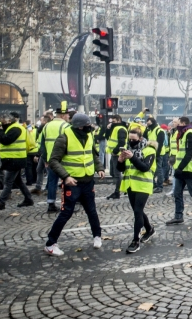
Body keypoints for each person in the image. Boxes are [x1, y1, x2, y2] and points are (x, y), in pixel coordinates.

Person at [43, 114, 106, 255]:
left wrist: (100, 168)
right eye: (87, 126)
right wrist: (66, 177)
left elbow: (93, 154)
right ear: (79, 127)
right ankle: (50, 243)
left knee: (92, 210)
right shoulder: (64, 137)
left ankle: (97, 236)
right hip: (72, 182)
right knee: (66, 213)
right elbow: (53, 161)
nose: (89, 128)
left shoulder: (89, 135)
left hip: (88, 181)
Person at [117, 128, 158, 254]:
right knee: (138, 210)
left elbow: (145, 167)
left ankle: (136, 241)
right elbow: (121, 169)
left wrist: (133, 157)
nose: (131, 141)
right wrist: (121, 160)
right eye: (129, 139)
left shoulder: (149, 150)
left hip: (143, 185)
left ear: (140, 138)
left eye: (134, 139)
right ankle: (149, 229)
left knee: (137, 211)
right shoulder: (129, 149)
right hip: (131, 185)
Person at [0, 112, 33, 211]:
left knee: (8, 182)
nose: (0, 123)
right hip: (14, 158)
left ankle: (1, 202)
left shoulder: (16, 128)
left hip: (15, 159)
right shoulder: (12, 128)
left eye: (2, 121)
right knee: (18, 181)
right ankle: (28, 198)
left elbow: (5, 140)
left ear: (9, 120)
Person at [39, 103, 71, 212]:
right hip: (63, 159)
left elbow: (41, 144)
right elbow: (70, 143)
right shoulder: (66, 126)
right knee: (67, 180)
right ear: (62, 116)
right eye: (67, 115)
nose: (68, 117)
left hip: (50, 160)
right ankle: (66, 203)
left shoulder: (47, 125)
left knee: (52, 182)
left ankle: (51, 204)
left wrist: (45, 159)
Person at [105, 115, 128, 199]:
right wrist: (108, 129)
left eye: (114, 122)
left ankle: (117, 192)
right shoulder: (114, 128)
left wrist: (115, 151)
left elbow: (121, 142)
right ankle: (122, 189)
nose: (112, 123)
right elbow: (107, 138)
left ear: (119, 120)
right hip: (114, 154)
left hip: (118, 154)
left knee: (117, 174)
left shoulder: (121, 129)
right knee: (113, 173)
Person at [143, 117, 166, 193]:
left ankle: (160, 186)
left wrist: (157, 154)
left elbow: (160, 143)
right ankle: (154, 184)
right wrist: (146, 129)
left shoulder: (159, 131)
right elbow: (144, 137)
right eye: (147, 123)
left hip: (158, 153)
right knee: (153, 169)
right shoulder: (150, 130)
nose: (148, 124)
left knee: (159, 170)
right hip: (151, 152)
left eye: (149, 123)